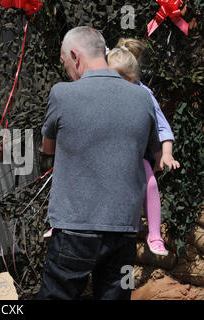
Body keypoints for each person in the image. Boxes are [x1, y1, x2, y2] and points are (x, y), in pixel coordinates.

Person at [37, 26, 161, 300]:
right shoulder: (143, 98)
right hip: (125, 233)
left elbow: (48, 149)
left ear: (75, 56)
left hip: (74, 230)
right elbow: (154, 155)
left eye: (65, 62)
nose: (67, 69)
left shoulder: (62, 94)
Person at [106, 41, 180, 256]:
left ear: (133, 77)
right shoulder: (102, 92)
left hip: (136, 155)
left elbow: (162, 126)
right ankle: (64, 224)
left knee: (149, 182)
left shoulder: (143, 93)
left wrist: (166, 153)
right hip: (108, 154)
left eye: (125, 79)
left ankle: (155, 235)